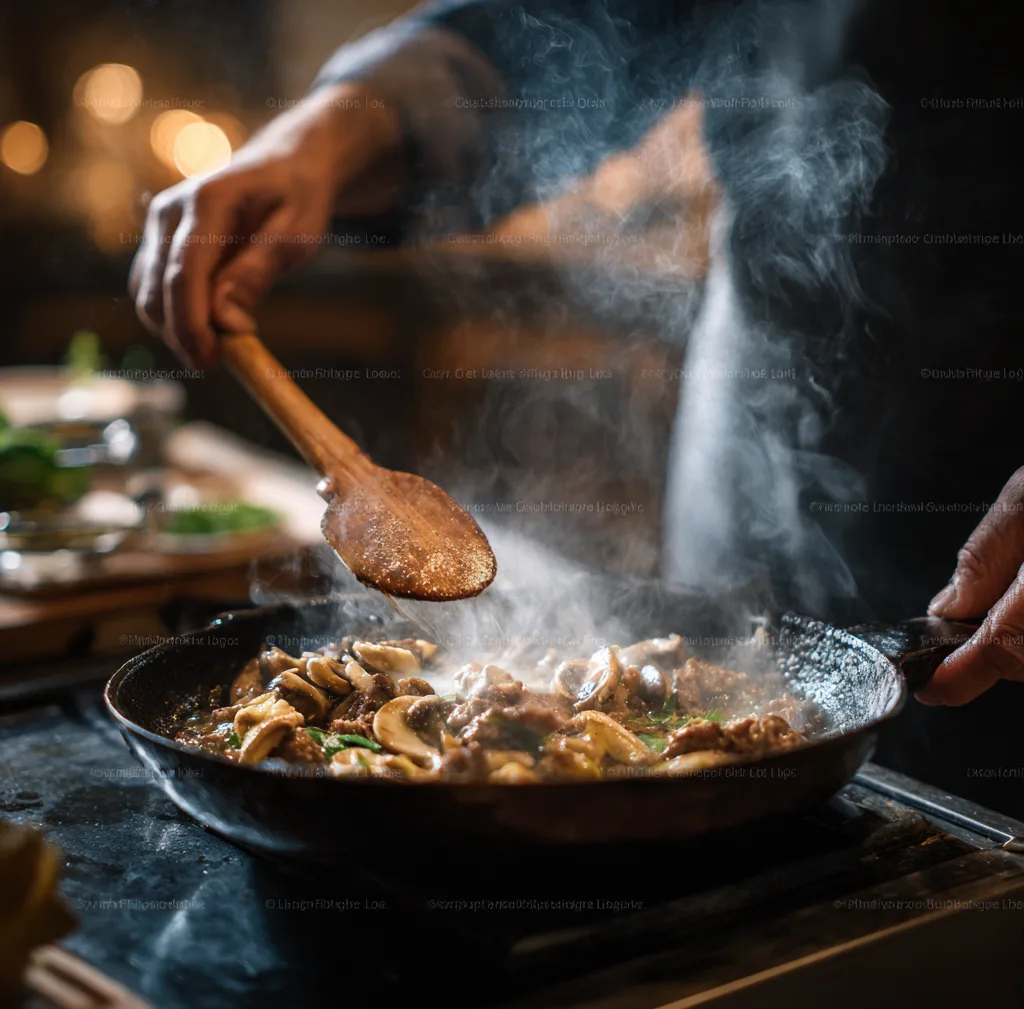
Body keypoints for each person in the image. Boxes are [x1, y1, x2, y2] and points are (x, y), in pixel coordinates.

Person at [129, 0, 1024, 714]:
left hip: (996, 494)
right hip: (758, 410)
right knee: (720, 728)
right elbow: (577, 20)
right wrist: (331, 132)